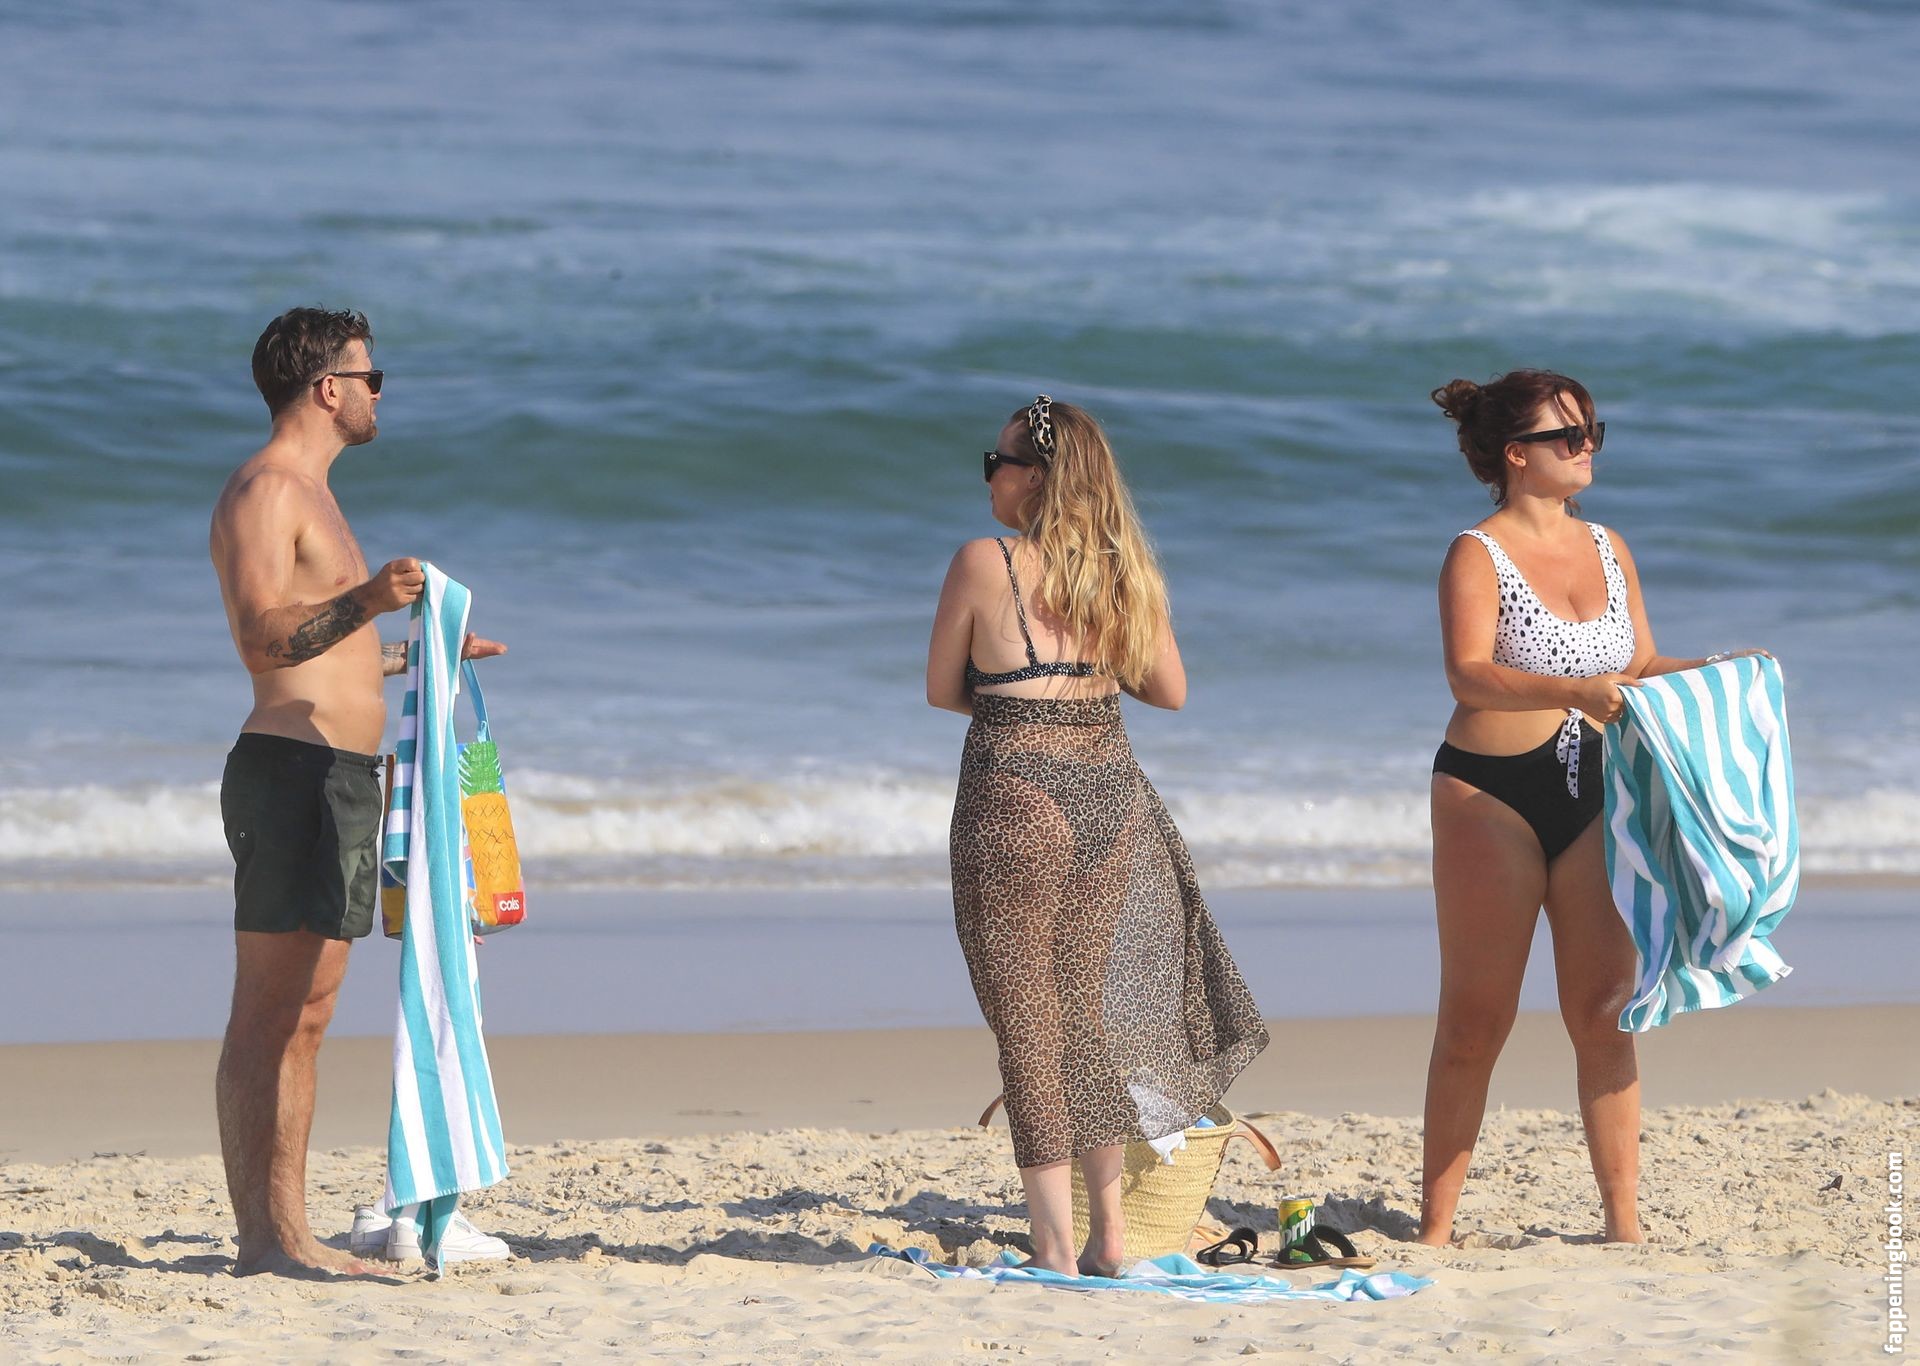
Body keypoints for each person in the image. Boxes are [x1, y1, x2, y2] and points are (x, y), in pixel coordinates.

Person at [1419, 369, 1768, 1246]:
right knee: (1476, 1020)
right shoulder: (1477, 552)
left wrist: (1724, 670)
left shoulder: (1609, 546)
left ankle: (1623, 1226)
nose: (1586, 449)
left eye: (1592, 433)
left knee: (1605, 1009)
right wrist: (1574, 690)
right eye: (1568, 436)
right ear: (1517, 455)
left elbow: (1640, 667)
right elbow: (1469, 675)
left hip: (1598, 796)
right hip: (1491, 793)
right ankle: (1435, 1230)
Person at [927, 395, 1269, 1277]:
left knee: (1028, 1025)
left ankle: (1054, 1246)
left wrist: (1018, 701)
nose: (989, 478)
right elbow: (1170, 691)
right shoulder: (1125, 572)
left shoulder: (984, 561)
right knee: (1088, 1018)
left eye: (998, 462)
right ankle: (1110, 1235)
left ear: (1038, 478)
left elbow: (940, 687)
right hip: (1110, 797)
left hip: (1015, 798)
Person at [208, 306, 505, 1276]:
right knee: (272, 1014)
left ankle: (284, 1234)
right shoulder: (267, 489)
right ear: (327, 387)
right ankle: (271, 1239)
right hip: (292, 771)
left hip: (335, 777)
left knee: (309, 1015)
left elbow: (325, 654)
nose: (382, 392)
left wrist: (420, 655)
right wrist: (372, 597)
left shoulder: (316, 496)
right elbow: (263, 639)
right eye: (372, 376)